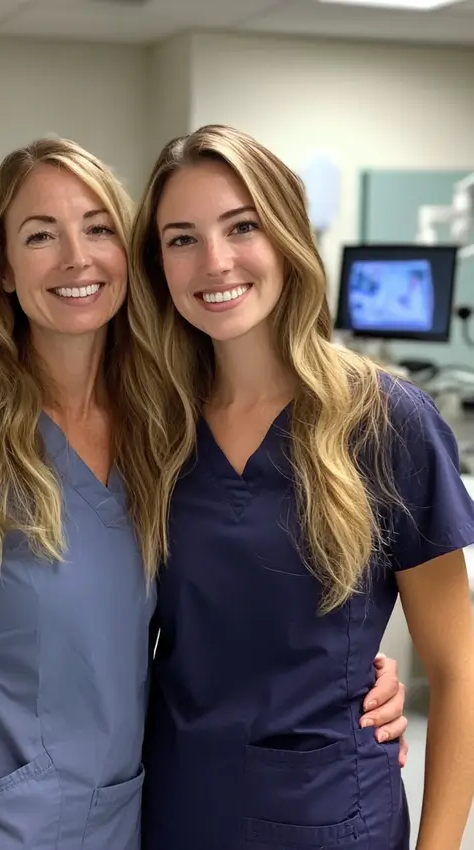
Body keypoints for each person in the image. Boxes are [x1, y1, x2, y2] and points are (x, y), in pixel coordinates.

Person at [0, 137, 406, 850]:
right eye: (39, 236)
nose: (75, 257)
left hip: (119, 818)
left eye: (97, 229)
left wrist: (359, 670)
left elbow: (222, 599)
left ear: (128, 258)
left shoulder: (165, 435)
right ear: (4, 272)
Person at [126, 125, 474, 850]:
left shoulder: (384, 421)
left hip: (328, 816)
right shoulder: (155, 428)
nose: (214, 261)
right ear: (157, 265)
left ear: (284, 235)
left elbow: (458, 669)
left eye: (241, 226)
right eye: (181, 238)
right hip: (173, 806)